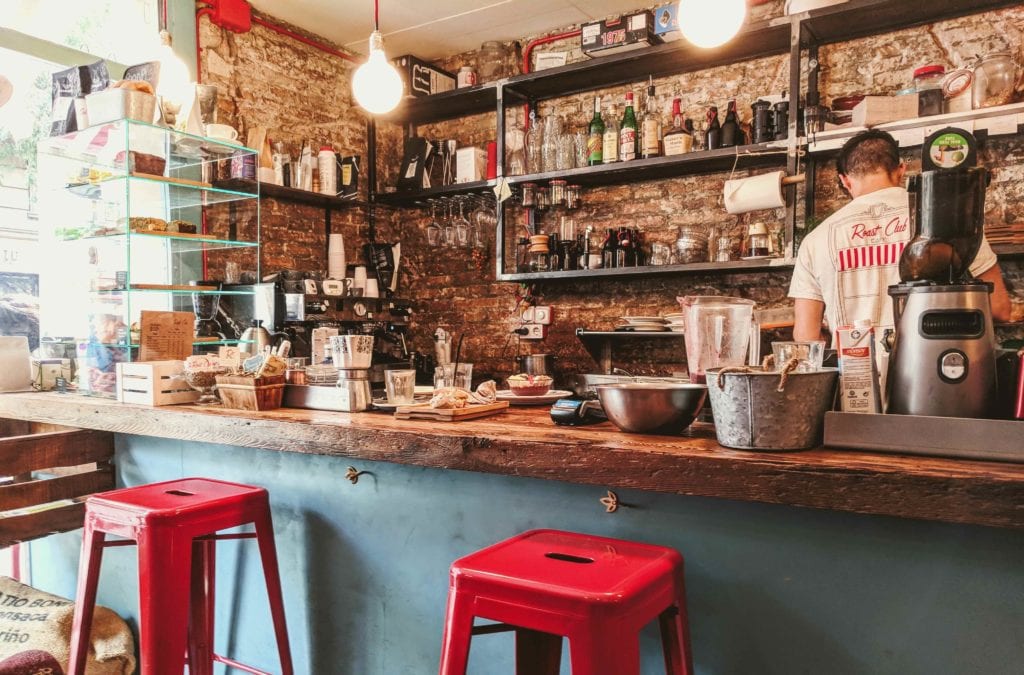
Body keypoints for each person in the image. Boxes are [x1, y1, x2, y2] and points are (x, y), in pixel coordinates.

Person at [789, 129, 1011, 345]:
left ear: (845, 180)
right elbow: (999, 307)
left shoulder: (815, 240)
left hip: (854, 376)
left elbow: (806, 336)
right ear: (900, 170)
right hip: (935, 372)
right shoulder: (950, 222)